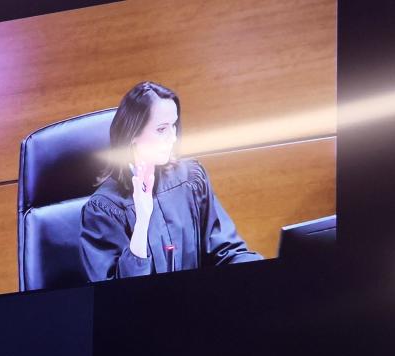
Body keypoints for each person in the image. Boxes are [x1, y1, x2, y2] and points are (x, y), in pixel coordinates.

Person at [79, 81, 262, 282]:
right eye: (161, 129)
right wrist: (142, 221)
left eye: (173, 126)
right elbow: (114, 299)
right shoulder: (103, 209)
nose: (172, 138)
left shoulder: (190, 179)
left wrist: (265, 273)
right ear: (133, 135)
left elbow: (226, 250)